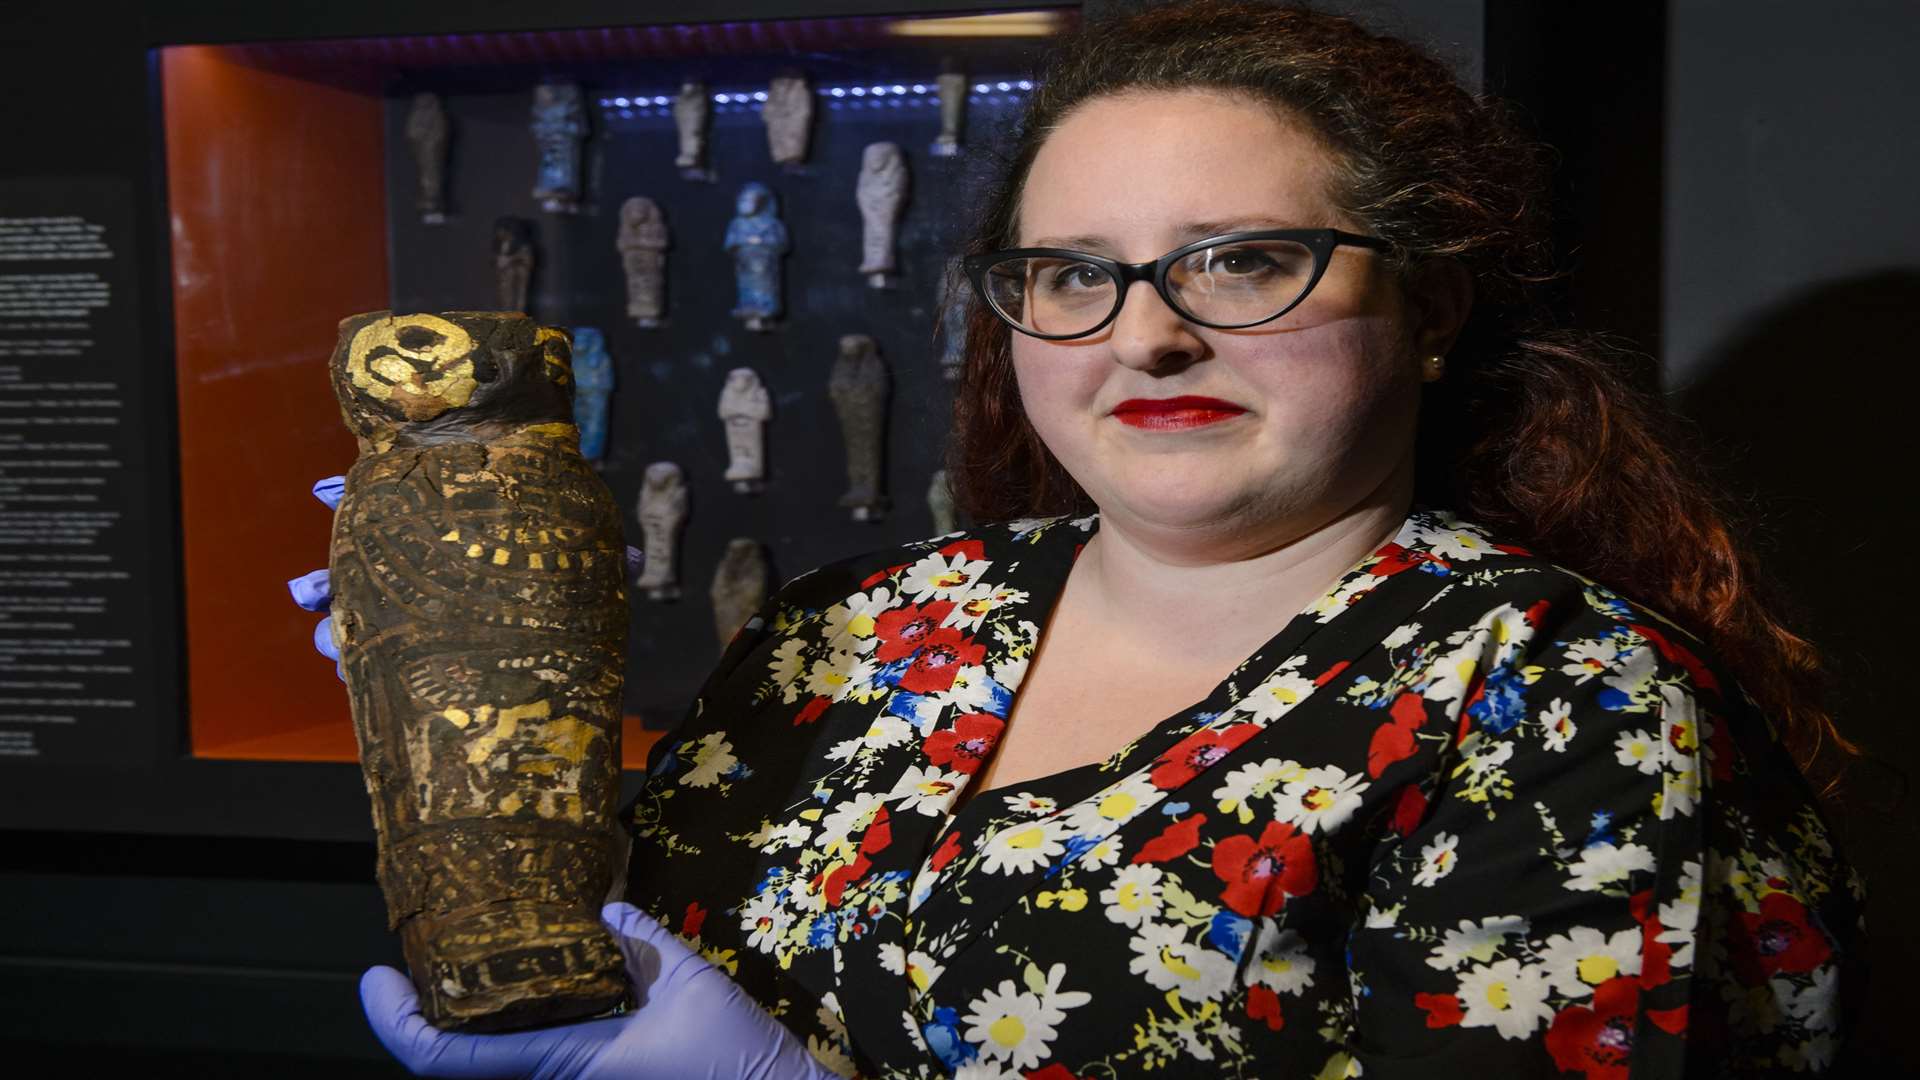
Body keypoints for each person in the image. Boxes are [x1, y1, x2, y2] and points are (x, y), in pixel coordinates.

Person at [290, 3, 1862, 1076]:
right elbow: (613, 947)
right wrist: (471, 709)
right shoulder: (859, 632)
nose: (1148, 339)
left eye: (1244, 263)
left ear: (1430, 309)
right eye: (1073, 274)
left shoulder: (1555, 697)